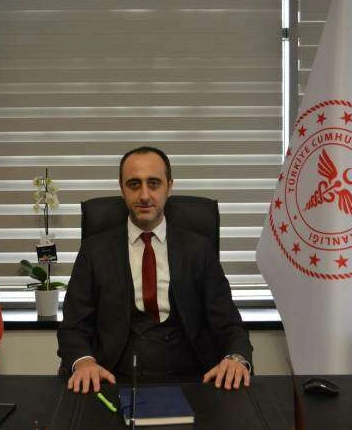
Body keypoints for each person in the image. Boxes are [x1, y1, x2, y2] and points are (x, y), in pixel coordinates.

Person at [58, 146, 253, 394]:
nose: (144, 195)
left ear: (169, 186)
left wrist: (236, 358)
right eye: (134, 184)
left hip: (194, 380)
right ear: (122, 189)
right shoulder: (94, 251)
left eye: (154, 183)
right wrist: (84, 362)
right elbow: (73, 326)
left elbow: (229, 324)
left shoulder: (199, 249)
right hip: (113, 379)